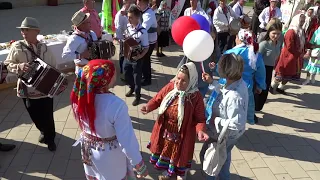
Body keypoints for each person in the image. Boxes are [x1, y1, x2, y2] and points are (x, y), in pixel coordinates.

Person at [70, 59, 148, 179]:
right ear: (105, 80)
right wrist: (139, 165)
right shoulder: (116, 105)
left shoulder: (80, 98)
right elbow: (127, 140)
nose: (115, 75)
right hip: (109, 156)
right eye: (113, 73)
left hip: (88, 149)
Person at [141, 62, 209, 180]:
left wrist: (201, 131)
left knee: (180, 155)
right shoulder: (170, 87)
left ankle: (181, 173)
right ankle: (167, 172)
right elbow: (157, 99)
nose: (179, 82)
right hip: (165, 131)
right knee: (166, 152)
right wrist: (148, 107)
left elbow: (200, 119)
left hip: (182, 135)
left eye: (183, 81)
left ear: (191, 81)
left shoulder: (195, 96)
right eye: (178, 78)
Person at [4, 17, 57, 151]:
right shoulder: (17, 46)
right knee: (34, 114)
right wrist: (19, 67)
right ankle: (43, 130)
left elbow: (54, 64)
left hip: (45, 88)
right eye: (22, 30)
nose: (24, 32)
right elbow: (7, 64)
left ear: (37, 31)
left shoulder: (44, 47)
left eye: (27, 30)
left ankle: (50, 138)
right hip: (27, 89)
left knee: (48, 114)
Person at [201, 53, 249, 180]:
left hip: (223, 135)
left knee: (209, 158)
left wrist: (216, 120)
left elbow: (236, 123)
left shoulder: (235, 97)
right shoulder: (236, 82)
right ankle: (224, 177)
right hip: (227, 136)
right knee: (224, 155)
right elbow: (224, 91)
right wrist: (212, 82)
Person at [224, 29, 266, 124]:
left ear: (238, 39)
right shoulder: (255, 55)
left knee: (227, 104)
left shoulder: (230, 52)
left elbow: (221, 68)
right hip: (246, 86)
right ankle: (245, 121)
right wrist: (260, 86)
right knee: (245, 105)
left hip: (229, 84)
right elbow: (261, 72)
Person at [271, 13, 306, 94]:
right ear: (296, 20)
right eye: (301, 20)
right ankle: (272, 86)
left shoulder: (301, 31)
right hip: (288, 57)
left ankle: (281, 87)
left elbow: (304, 42)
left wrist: (310, 47)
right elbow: (289, 46)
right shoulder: (291, 32)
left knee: (289, 75)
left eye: (304, 20)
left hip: (295, 58)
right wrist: (299, 53)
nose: (303, 22)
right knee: (281, 74)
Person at [123, 5, 149, 106]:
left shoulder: (143, 32)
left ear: (137, 18)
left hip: (136, 59)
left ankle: (138, 96)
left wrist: (140, 56)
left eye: (131, 17)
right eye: (128, 17)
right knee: (126, 74)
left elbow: (146, 47)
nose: (128, 19)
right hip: (127, 57)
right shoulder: (128, 27)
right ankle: (131, 88)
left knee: (137, 78)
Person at [255, 21, 282, 111]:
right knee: (259, 91)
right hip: (261, 70)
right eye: (274, 33)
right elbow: (256, 59)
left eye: (278, 34)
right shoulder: (264, 44)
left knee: (265, 92)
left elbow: (276, 58)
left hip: (270, 70)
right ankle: (252, 110)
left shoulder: (278, 44)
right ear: (269, 32)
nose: (276, 36)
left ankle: (257, 109)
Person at [62, 10, 98, 75]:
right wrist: (81, 55)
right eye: (88, 22)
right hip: (83, 71)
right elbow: (65, 56)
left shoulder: (92, 33)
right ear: (81, 25)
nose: (90, 24)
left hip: (95, 68)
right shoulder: (74, 38)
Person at [137, 0, 158, 86]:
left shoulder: (148, 14)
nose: (137, 3)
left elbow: (143, 29)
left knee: (145, 59)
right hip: (147, 40)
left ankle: (147, 79)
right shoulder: (143, 11)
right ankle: (145, 77)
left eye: (139, 2)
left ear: (144, 3)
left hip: (150, 40)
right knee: (145, 59)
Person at [114, 0, 131, 78]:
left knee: (127, 55)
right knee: (123, 55)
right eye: (130, 2)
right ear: (126, 3)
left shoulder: (128, 12)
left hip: (129, 37)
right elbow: (118, 27)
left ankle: (125, 71)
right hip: (123, 39)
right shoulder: (120, 14)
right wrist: (121, 38)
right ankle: (122, 71)